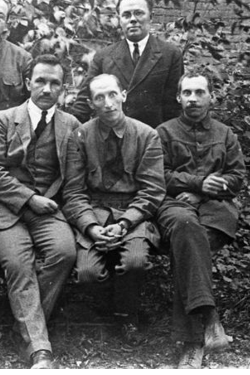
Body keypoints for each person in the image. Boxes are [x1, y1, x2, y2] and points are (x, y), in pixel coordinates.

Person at [0, 54, 80, 369]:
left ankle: (20, 328)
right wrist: (28, 198)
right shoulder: (3, 120)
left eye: (54, 83)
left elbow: (74, 180)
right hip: (6, 210)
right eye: (40, 81)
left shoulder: (71, 125)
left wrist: (52, 205)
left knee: (64, 253)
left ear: (63, 88)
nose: (47, 89)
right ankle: (39, 349)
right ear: (28, 83)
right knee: (19, 264)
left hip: (48, 210)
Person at [62, 73, 166, 343]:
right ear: (90, 103)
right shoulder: (80, 136)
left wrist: (125, 223)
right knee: (87, 274)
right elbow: (73, 191)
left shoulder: (147, 135)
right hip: (94, 211)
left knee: (134, 262)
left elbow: (152, 190)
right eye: (99, 97)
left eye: (112, 95)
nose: (108, 103)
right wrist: (91, 228)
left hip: (133, 213)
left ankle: (127, 315)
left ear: (124, 95)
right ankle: (107, 310)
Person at [155, 70, 246, 368]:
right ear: (178, 97)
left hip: (215, 210)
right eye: (187, 93)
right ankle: (206, 325)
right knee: (186, 230)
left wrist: (202, 192)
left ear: (211, 97)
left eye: (199, 92)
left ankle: (195, 337)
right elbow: (157, 175)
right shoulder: (163, 133)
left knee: (189, 246)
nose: (193, 99)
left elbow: (237, 177)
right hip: (175, 207)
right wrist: (198, 183)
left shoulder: (225, 134)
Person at [70, 0, 183, 128]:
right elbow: (84, 102)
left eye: (139, 13)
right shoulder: (104, 57)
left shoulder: (170, 54)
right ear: (120, 20)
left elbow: (174, 108)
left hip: (153, 135)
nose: (133, 19)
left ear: (151, 17)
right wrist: (70, 132)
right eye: (126, 15)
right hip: (112, 135)